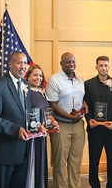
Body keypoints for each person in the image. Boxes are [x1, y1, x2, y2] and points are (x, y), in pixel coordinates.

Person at [0, 51, 32, 188]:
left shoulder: (26, 84)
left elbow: (26, 113)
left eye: (25, 63)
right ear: (10, 64)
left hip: (23, 151)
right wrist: (16, 130)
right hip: (3, 152)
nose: (23, 66)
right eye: (19, 63)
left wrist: (37, 125)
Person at [45, 52, 87, 188]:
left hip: (79, 125)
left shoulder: (80, 79)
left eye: (73, 62)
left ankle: (75, 185)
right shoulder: (54, 80)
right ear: (61, 64)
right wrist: (71, 117)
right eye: (68, 62)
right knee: (60, 161)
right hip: (61, 125)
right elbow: (53, 105)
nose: (71, 64)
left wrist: (84, 106)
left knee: (76, 160)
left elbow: (82, 97)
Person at [84, 56, 112, 188]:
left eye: (106, 65)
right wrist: (89, 120)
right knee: (94, 161)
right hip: (95, 130)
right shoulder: (88, 84)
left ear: (108, 67)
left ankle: (111, 185)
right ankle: (95, 185)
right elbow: (86, 106)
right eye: (101, 65)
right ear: (96, 67)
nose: (103, 68)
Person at [25, 64, 59, 188]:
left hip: (42, 136)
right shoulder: (26, 92)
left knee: (40, 163)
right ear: (28, 76)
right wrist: (37, 125)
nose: (38, 78)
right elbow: (25, 114)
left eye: (40, 75)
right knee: (31, 164)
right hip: (31, 136)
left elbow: (46, 112)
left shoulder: (42, 93)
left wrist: (53, 122)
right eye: (35, 75)